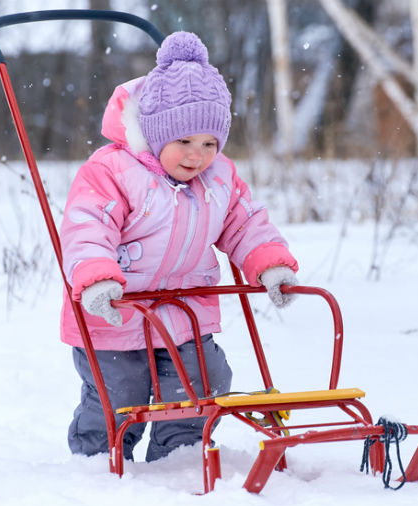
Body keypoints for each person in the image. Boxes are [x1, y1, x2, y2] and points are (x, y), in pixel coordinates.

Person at [59, 31, 299, 462]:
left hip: (186, 313)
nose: (197, 156)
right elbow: (87, 227)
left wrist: (270, 265)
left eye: (210, 143)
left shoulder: (219, 177)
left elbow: (246, 223)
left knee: (202, 381)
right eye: (184, 142)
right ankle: (98, 462)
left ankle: (180, 459)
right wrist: (95, 277)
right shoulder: (112, 171)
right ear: (154, 134)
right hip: (116, 311)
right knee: (119, 396)